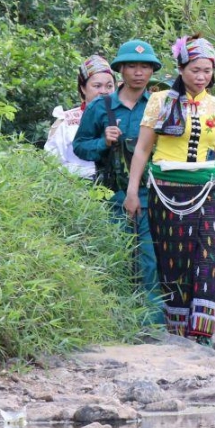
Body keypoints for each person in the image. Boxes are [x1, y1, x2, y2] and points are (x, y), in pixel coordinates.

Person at [124, 35, 215, 346]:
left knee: (208, 262)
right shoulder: (160, 100)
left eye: (207, 71)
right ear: (180, 69)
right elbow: (142, 150)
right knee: (172, 264)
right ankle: (178, 337)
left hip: (205, 192)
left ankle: (201, 337)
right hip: (165, 191)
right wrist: (132, 191)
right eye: (195, 70)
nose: (201, 76)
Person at [73, 40, 165, 323]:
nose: (139, 72)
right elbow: (80, 146)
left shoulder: (160, 105)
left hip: (153, 196)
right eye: (132, 66)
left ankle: (152, 323)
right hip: (111, 196)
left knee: (150, 259)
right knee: (117, 258)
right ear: (120, 70)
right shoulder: (100, 107)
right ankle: (116, 322)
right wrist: (103, 141)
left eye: (145, 66)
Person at [44, 55, 116, 181]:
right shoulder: (66, 120)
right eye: (97, 86)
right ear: (83, 88)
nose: (104, 91)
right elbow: (51, 163)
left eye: (109, 86)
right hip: (75, 187)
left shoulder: (122, 116)